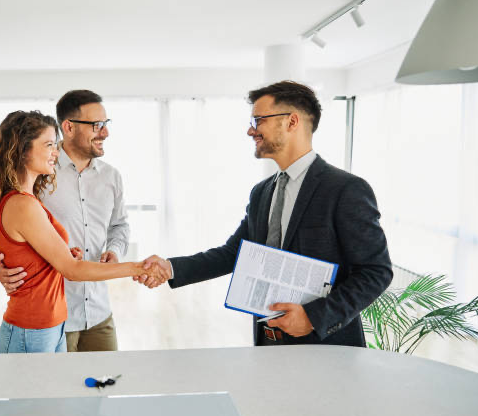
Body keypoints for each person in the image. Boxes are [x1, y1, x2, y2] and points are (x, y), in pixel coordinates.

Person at [140, 81, 393, 347]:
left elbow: (376, 271)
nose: (251, 130)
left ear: (291, 121)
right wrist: (170, 268)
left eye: (258, 120)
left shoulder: (346, 189)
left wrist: (313, 317)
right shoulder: (262, 192)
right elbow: (234, 253)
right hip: (268, 340)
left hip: (325, 345)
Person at [0, 90, 170, 352]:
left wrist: (115, 251)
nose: (105, 133)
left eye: (106, 125)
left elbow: (119, 225)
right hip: (55, 317)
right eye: (97, 125)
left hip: (97, 310)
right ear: (69, 127)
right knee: (53, 390)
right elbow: (4, 231)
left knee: (103, 388)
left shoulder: (111, 177)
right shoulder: (40, 176)